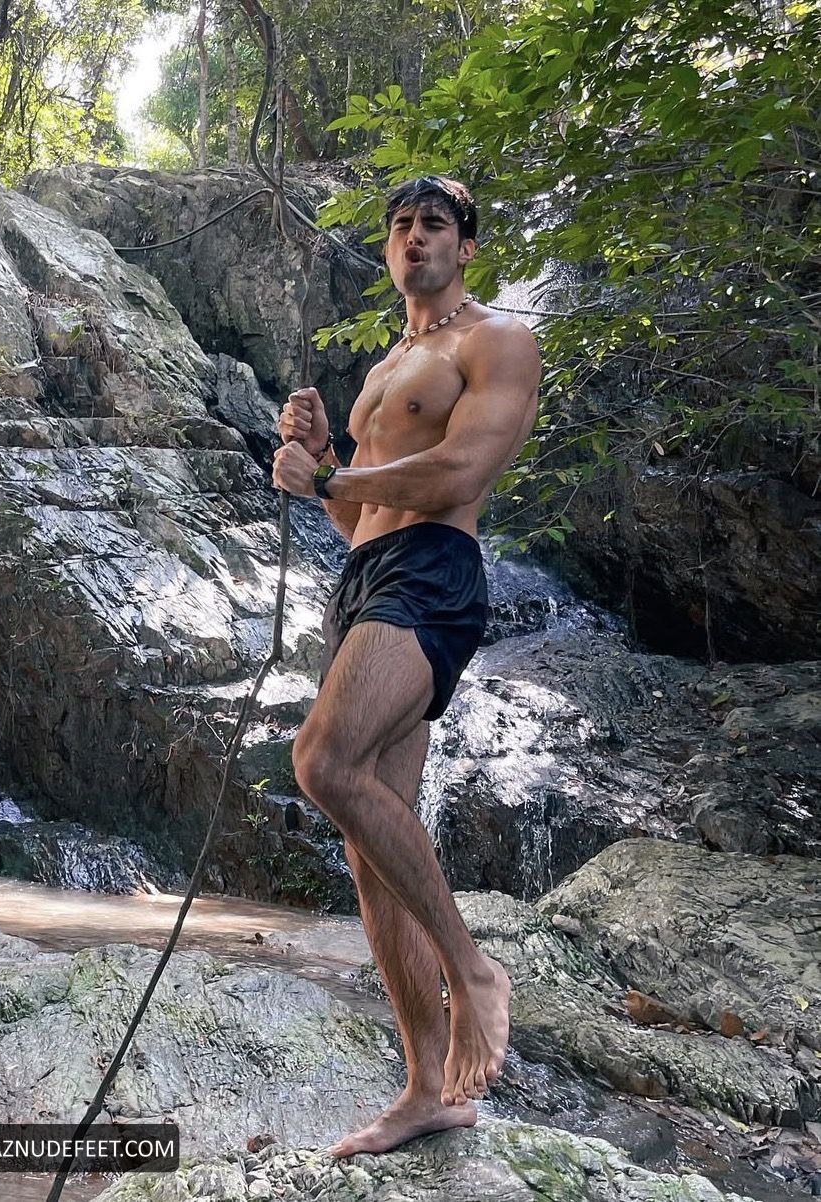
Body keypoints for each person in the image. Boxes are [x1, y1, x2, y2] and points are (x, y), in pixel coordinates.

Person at [272, 175, 540, 1157]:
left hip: (432, 573)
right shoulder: (383, 370)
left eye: (434, 223)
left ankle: (473, 971)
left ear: (465, 245)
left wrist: (335, 471)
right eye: (399, 225)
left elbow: (462, 470)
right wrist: (317, 461)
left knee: (321, 760)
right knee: (371, 850)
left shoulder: (494, 340)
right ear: (386, 250)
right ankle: (429, 1089)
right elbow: (355, 516)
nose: (414, 236)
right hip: (366, 579)